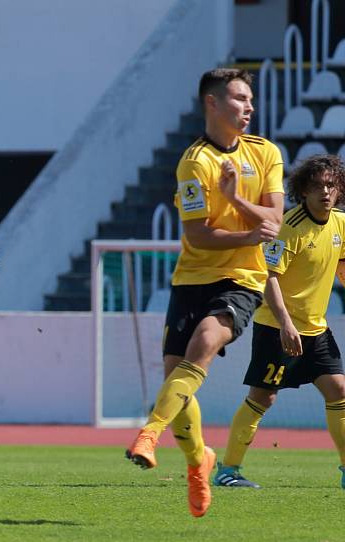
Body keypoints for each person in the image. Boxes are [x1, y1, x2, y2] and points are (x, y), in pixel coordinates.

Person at [125, 68, 285, 517]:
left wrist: (235, 202)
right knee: (178, 387)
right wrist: (247, 233)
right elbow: (198, 236)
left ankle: (148, 434)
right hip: (192, 280)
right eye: (239, 98)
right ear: (211, 104)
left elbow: (273, 220)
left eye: (250, 99)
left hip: (242, 281)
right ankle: (200, 462)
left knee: (204, 343)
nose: (249, 107)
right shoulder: (194, 162)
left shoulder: (266, 153)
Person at [213, 154, 345, 490]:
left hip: (316, 328)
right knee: (263, 397)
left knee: (338, 389)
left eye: (331, 185)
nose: (325, 192)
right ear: (304, 190)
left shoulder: (340, 224)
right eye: (318, 186)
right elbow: (268, 278)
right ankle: (228, 469)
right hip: (277, 326)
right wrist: (286, 324)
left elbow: (341, 264)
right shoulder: (290, 227)